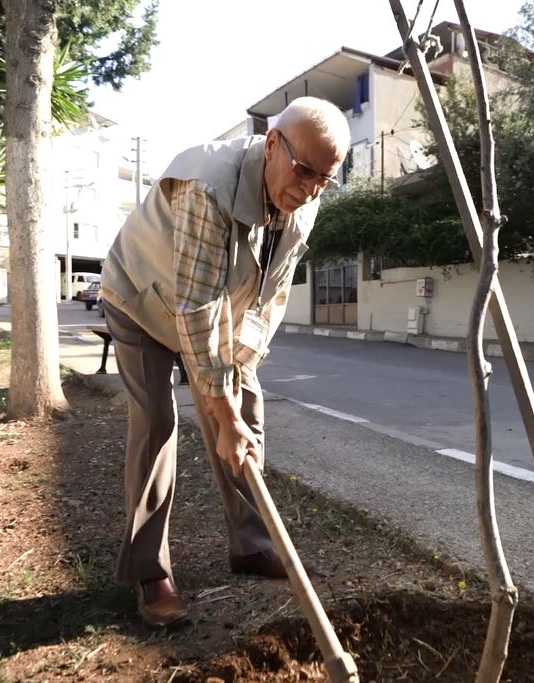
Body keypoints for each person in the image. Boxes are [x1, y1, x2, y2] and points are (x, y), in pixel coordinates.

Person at [100, 97, 350, 627]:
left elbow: (268, 298)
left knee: (247, 413)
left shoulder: (304, 199)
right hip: (142, 300)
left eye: (324, 180)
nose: (310, 189)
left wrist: (238, 378)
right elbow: (197, 304)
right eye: (304, 171)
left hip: (209, 312)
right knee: (158, 424)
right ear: (272, 144)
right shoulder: (206, 185)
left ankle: (250, 546)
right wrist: (220, 409)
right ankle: (151, 573)